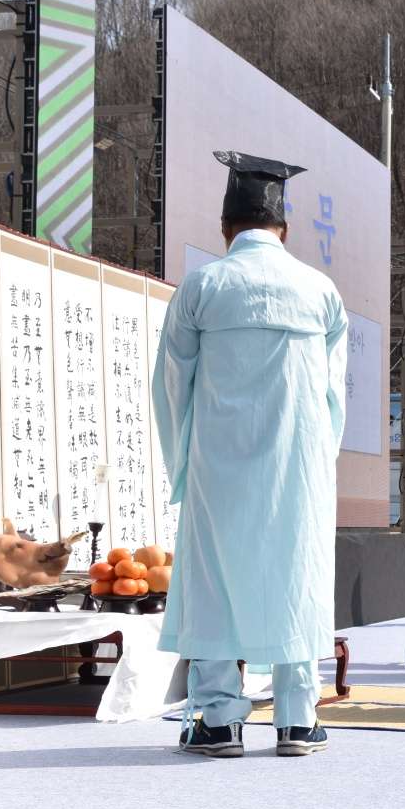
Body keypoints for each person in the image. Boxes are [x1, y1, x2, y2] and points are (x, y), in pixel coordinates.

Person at [152, 151, 348, 758]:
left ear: (225, 227)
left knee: (214, 582)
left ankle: (218, 720)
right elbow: (332, 393)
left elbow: (171, 386)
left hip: (220, 462)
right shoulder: (320, 290)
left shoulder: (202, 286)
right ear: (283, 229)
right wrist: (320, 464)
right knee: (297, 575)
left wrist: (181, 464)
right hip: (298, 467)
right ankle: (297, 718)